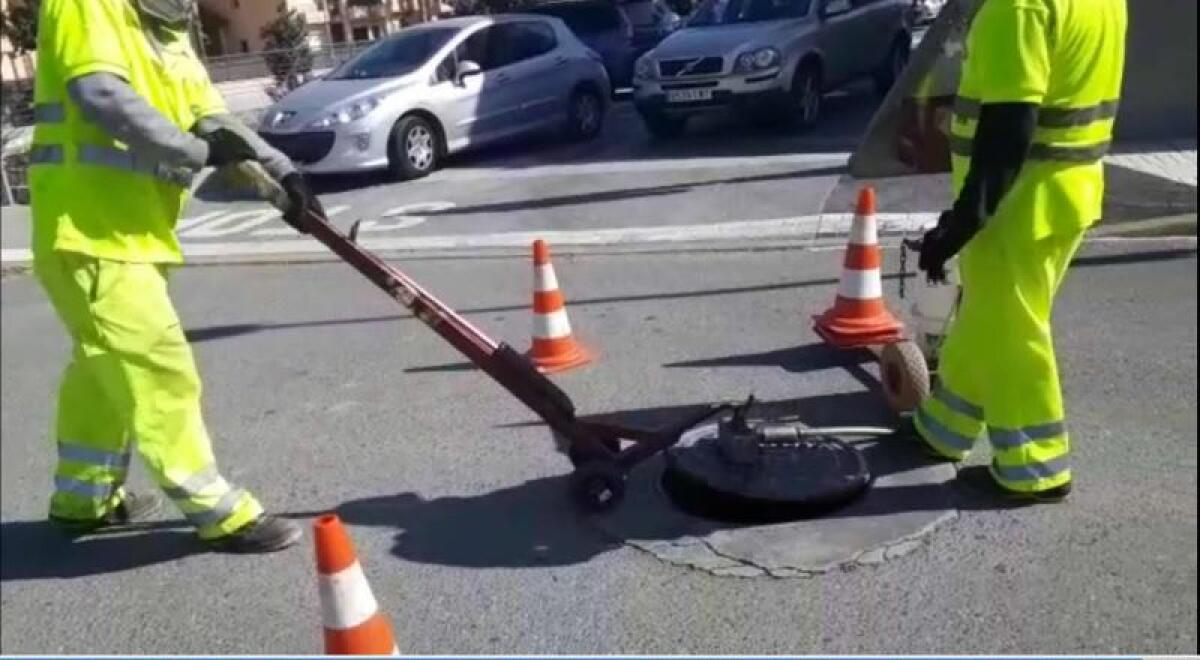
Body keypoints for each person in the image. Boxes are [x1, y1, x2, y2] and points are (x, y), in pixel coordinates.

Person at [29, 0, 325, 552]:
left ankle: (81, 500)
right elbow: (100, 94)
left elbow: (212, 118)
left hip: (132, 231)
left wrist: (282, 175)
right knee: (158, 366)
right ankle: (218, 511)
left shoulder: (166, 27)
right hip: (87, 229)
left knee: (101, 369)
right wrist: (194, 151)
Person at [908, 0, 1126, 501]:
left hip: (1018, 207)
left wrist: (961, 222)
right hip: (1065, 192)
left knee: (1014, 330)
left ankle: (1036, 468)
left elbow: (1010, 127)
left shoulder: (1017, 7)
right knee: (991, 315)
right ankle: (944, 426)